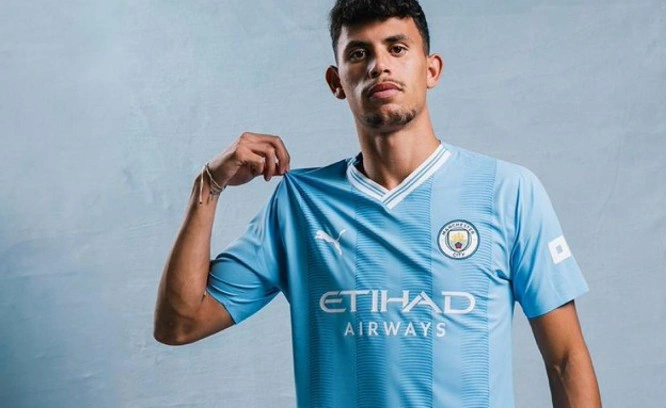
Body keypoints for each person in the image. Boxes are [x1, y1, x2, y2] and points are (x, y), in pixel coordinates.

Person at [154, 0, 602, 406]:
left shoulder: (507, 191)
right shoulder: (300, 203)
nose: (379, 66)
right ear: (336, 82)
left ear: (431, 70)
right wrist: (208, 184)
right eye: (358, 53)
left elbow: (565, 359)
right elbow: (180, 323)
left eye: (397, 48)